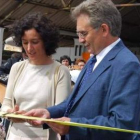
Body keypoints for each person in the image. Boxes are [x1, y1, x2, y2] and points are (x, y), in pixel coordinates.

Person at [11, 0, 140, 140]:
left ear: (104, 29)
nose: (80, 40)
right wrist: (48, 113)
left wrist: (74, 126)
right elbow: (72, 103)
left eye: (83, 33)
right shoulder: (93, 61)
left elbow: (123, 124)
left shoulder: (126, 65)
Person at [1, 12, 71, 140]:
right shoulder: (17, 68)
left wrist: (40, 122)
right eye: (24, 42)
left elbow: (61, 114)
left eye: (34, 42)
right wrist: (10, 113)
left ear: (47, 41)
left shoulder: (60, 71)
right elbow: (6, 104)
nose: (29, 48)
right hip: (14, 135)